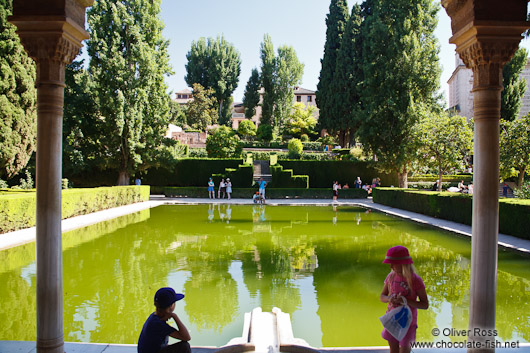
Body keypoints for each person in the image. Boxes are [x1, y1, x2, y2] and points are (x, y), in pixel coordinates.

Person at [380, 246, 429, 353]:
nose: (391, 266)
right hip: (392, 321)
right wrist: (389, 299)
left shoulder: (416, 280)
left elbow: (425, 305)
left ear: (403, 264)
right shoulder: (391, 277)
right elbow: (382, 297)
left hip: (408, 324)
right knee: (393, 350)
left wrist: (406, 301)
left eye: (393, 263)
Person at [138, 287, 191, 353]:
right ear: (171, 306)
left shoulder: (154, 317)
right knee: (184, 346)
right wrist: (174, 316)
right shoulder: (159, 324)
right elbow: (186, 337)